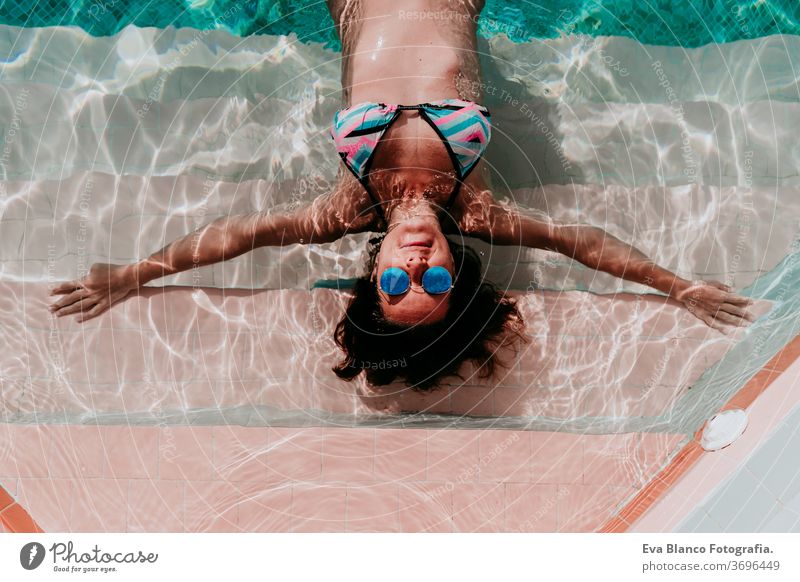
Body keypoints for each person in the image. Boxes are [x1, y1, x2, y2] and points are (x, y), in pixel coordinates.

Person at [48, 0, 755, 390]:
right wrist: (680, 286)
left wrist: (134, 272)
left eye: (396, 282)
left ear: (370, 276)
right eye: (436, 280)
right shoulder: (477, 208)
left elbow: (235, 235)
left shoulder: (342, 208)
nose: (417, 262)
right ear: (462, 274)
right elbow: (587, 245)